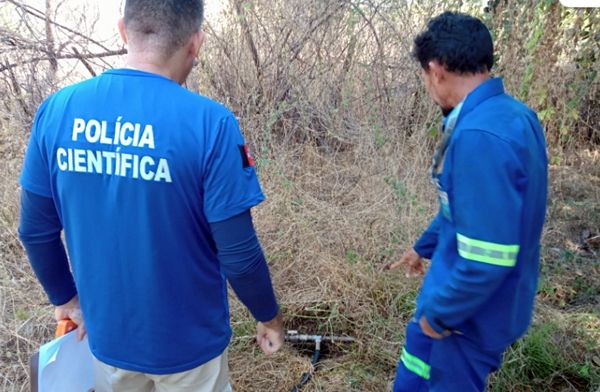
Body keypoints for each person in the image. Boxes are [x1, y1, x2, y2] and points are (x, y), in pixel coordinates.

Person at [18, 0, 284, 390]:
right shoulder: (211, 124)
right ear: (196, 43)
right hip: (189, 349)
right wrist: (268, 316)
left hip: (105, 342)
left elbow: (34, 231)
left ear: (124, 31)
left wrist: (67, 298)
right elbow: (239, 256)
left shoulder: (58, 110)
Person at [386, 11, 548, 392]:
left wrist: (436, 317)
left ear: (436, 69)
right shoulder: (513, 115)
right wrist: (422, 248)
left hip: (464, 320)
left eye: (425, 75)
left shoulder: (479, 136)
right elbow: (466, 207)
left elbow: (488, 256)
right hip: (470, 306)